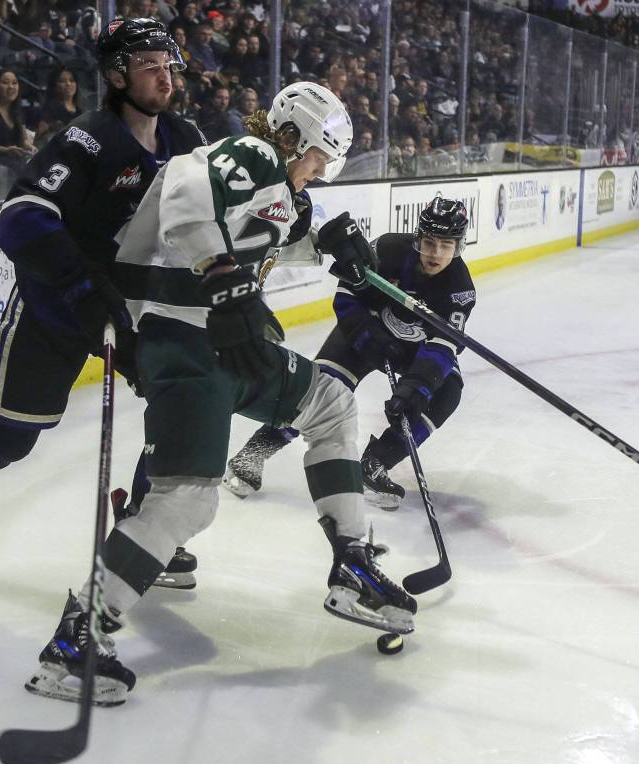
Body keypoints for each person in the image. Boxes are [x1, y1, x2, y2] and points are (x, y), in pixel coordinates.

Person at [24, 80, 417, 706]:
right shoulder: (250, 155)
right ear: (291, 138)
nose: (320, 171)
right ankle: (77, 641)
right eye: (318, 156)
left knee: (331, 401)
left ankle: (352, 561)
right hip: (181, 339)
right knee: (186, 502)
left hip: (224, 343)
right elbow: (186, 202)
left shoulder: (273, 188)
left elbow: (251, 240)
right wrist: (223, 278)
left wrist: (328, 249)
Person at [0, 19, 207, 589]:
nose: (165, 75)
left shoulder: (186, 140)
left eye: (169, 64)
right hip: (56, 307)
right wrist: (82, 288)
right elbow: (22, 217)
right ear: (116, 76)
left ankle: (141, 527)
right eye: (148, 65)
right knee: (10, 434)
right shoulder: (89, 138)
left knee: (183, 405)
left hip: (135, 311)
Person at [224, 196, 475, 512]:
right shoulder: (387, 249)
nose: (435, 253)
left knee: (447, 392)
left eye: (445, 245)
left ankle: (374, 464)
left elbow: (442, 348)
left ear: (459, 246)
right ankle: (255, 452)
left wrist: (416, 389)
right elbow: (346, 294)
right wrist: (367, 336)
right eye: (429, 242)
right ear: (418, 237)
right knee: (319, 390)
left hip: (413, 350)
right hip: (363, 331)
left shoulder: (459, 289)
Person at [34, 65, 83, 146]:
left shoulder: (81, 111)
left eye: (72, 80)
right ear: (54, 86)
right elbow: (41, 138)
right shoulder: (48, 110)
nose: (68, 84)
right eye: (62, 81)